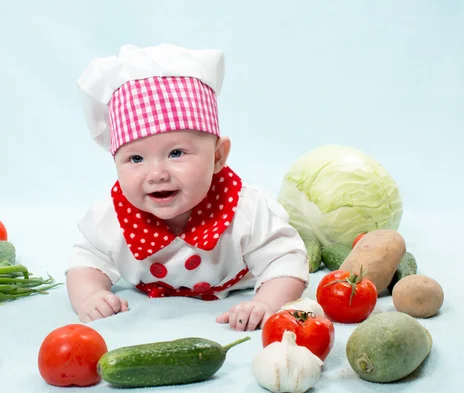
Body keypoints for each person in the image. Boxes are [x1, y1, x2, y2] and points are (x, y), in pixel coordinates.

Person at [66, 43, 309, 331]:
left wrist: (267, 303)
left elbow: (287, 259)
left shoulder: (246, 211)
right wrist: (91, 295)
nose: (156, 173)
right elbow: (84, 260)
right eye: (135, 158)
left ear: (218, 156)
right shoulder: (110, 219)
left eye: (176, 153)